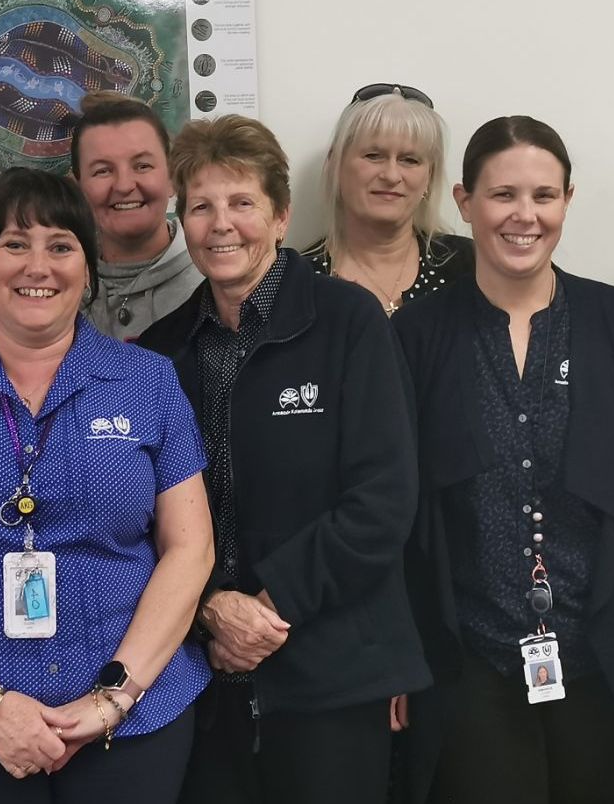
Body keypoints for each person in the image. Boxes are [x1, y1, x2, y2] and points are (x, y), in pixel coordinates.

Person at [0, 167, 214, 802]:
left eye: (61, 245)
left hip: (133, 721)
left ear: (88, 268)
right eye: (15, 243)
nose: (38, 266)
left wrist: (116, 695)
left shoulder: (151, 382)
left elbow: (191, 549)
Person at [392, 116, 614, 804]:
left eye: (543, 196)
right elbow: (397, 509)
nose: (524, 216)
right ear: (465, 202)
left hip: (606, 648)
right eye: (503, 196)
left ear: (567, 201)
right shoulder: (417, 333)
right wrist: (397, 656)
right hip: (469, 654)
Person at [138, 115, 428, 804]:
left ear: (280, 214)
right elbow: (139, 518)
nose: (221, 224)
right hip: (200, 678)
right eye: (201, 206)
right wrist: (211, 610)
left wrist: (266, 610)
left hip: (330, 671)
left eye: (241, 203)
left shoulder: (348, 321)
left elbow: (383, 501)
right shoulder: (157, 354)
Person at [301, 84, 473, 315]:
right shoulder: (297, 280)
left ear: (429, 176)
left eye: (409, 160)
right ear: (335, 165)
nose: (391, 176)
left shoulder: (469, 264)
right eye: (374, 156)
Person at [70, 91, 203, 341]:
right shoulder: (58, 291)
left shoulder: (214, 284)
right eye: (102, 170)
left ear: (172, 178)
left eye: (142, 166)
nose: (123, 185)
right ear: (79, 189)